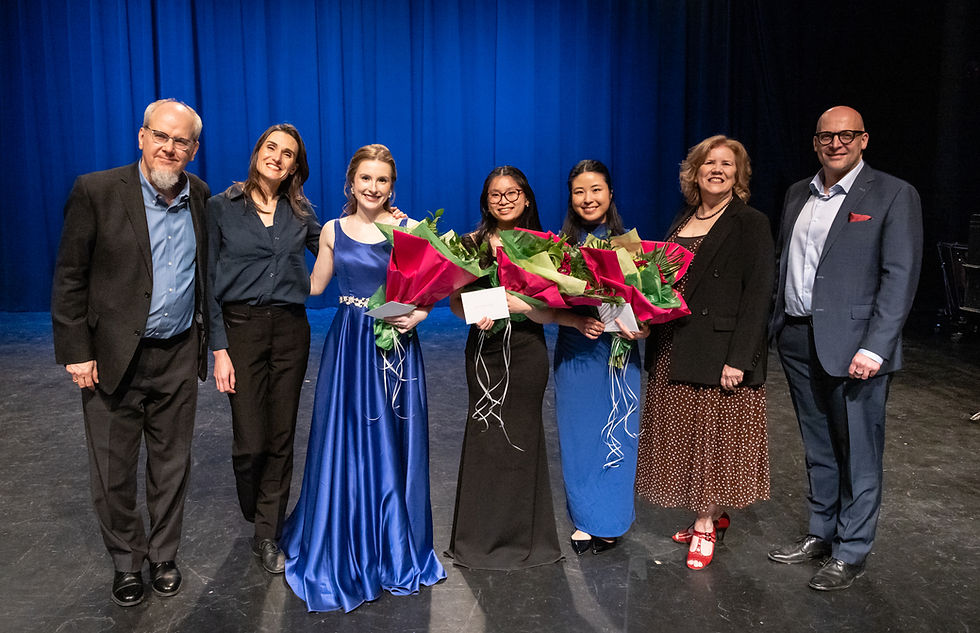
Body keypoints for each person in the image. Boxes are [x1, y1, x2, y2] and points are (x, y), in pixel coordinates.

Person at [51, 99, 209, 606]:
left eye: (180, 140)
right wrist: (77, 350)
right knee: (113, 469)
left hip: (179, 352)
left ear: (193, 149)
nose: (169, 147)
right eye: (160, 135)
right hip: (112, 356)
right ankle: (127, 561)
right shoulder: (96, 191)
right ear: (141, 137)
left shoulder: (200, 196)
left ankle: (163, 554)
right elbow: (70, 275)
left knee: (171, 465)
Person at [278, 144, 445, 611]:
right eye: (365, 179)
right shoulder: (332, 229)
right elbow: (315, 286)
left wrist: (422, 315)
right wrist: (271, 252)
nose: (373, 188)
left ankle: (393, 544)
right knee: (345, 440)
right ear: (351, 182)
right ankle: (343, 534)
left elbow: (431, 289)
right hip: (349, 344)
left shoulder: (411, 229)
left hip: (394, 346)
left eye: (383, 180)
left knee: (393, 440)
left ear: (393, 185)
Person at [768, 106, 922, 590]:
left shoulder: (894, 193)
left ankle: (851, 550)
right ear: (816, 143)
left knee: (858, 449)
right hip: (797, 336)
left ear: (863, 140)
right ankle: (822, 532)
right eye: (826, 137)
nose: (836, 143)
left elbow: (900, 276)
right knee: (818, 447)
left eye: (846, 135)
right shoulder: (798, 193)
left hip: (856, 347)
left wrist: (877, 347)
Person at [635, 135, 774, 570]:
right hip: (674, 345)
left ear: (739, 174)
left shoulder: (749, 221)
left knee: (713, 441)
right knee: (687, 439)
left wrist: (740, 357)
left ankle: (703, 525)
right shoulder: (683, 219)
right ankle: (711, 513)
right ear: (693, 173)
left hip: (719, 352)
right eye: (708, 163)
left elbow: (758, 295)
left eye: (727, 164)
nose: (717, 169)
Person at [206, 124, 321, 574]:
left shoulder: (302, 212)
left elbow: (338, 250)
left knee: (281, 436)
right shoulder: (221, 207)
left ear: (296, 165)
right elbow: (208, 285)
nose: (278, 157)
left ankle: (266, 532)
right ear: (257, 152)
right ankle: (257, 509)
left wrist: (386, 227)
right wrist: (219, 349)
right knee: (250, 440)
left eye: (288, 153)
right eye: (271, 148)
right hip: (241, 330)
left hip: (292, 330)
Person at [445, 165, 563, 570]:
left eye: (512, 193)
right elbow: (456, 304)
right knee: (484, 434)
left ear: (526, 198)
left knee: (521, 436)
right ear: (486, 202)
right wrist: (476, 312)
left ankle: (524, 538)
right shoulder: (470, 244)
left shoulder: (545, 246)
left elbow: (552, 312)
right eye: (496, 194)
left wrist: (523, 307)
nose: (505, 200)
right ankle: (477, 539)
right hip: (483, 351)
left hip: (528, 350)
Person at [553, 160, 649, 556]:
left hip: (619, 352)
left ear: (610, 194)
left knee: (617, 431)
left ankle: (609, 519)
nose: (588, 198)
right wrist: (575, 318)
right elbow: (547, 300)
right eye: (579, 191)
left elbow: (647, 303)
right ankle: (585, 518)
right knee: (578, 438)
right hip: (577, 351)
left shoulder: (629, 245)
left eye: (596, 189)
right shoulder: (559, 247)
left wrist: (644, 326)